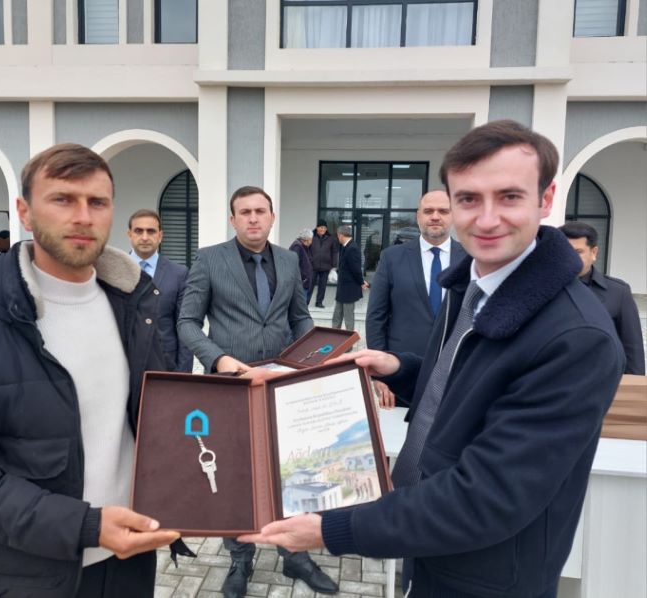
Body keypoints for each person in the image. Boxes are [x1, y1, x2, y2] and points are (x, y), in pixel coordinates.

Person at [239, 120, 625, 598]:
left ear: (546, 199)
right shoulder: (472, 284)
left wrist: (331, 529)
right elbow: (469, 384)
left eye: (509, 197)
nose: (487, 219)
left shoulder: (577, 338)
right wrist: (402, 369)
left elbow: (488, 497)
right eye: (469, 199)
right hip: (431, 546)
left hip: (488, 577)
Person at [0, 144, 181, 598]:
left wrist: (239, 402)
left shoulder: (133, 306)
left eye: (97, 202)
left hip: (130, 560)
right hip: (31, 573)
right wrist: (87, 527)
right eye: (62, 199)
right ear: (25, 211)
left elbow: (157, 418)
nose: (83, 216)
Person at [177, 186, 338, 598]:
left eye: (260, 211)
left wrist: (314, 354)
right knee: (235, 475)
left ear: (271, 216)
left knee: (292, 469)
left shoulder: (288, 260)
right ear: (232, 219)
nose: (253, 218)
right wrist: (219, 359)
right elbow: (187, 322)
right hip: (232, 385)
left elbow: (300, 317)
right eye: (244, 212)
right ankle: (240, 558)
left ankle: (295, 554)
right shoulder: (209, 259)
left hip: (283, 383)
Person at [366, 190, 466, 359]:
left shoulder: (472, 258)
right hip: (402, 361)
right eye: (428, 211)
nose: (435, 217)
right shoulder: (391, 258)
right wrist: (379, 362)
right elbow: (376, 316)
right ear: (418, 216)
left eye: (443, 211)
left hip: (457, 362)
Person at [559, 221, 644, 375]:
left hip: (601, 382)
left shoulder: (618, 293)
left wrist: (632, 386)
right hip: (553, 381)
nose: (569, 257)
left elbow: (632, 349)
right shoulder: (542, 290)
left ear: (594, 253)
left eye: (578, 252)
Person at [127, 208, 193, 372]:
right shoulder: (115, 270)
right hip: (124, 364)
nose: (145, 237)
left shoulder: (179, 274)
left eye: (151, 231)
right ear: (129, 234)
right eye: (138, 231)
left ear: (160, 236)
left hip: (165, 365)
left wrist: (183, 376)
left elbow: (185, 327)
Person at [332, 225, 368, 331]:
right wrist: (335, 272)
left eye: (338, 235)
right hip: (342, 288)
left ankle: (350, 338)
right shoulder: (345, 246)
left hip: (349, 289)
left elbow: (356, 269)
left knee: (348, 316)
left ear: (341, 235)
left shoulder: (352, 248)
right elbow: (345, 266)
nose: (337, 238)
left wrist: (361, 282)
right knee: (337, 314)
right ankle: (334, 334)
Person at [309, 219, 338, 308]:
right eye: (321, 227)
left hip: (326, 266)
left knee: (322, 286)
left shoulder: (330, 238)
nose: (323, 229)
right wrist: (309, 260)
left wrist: (334, 265)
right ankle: (305, 302)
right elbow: (306, 250)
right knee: (310, 285)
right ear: (317, 227)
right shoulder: (311, 236)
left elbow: (334, 252)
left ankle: (319, 302)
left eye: (324, 228)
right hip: (313, 266)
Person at [288, 228, 314, 303]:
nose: (311, 241)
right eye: (311, 239)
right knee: (300, 305)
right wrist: (302, 279)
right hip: (300, 284)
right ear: (306, 239)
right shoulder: (297, 247)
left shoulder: (304, 247)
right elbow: (293, 265)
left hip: (303, 283)